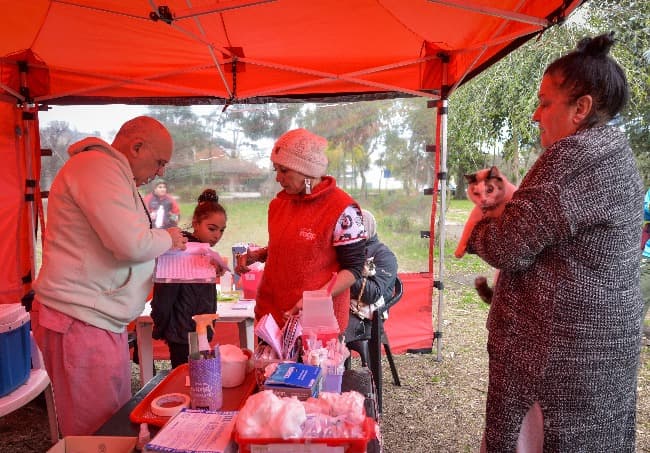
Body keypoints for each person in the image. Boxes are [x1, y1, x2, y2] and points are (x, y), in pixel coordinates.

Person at [466, 33, 643, 452]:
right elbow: (554, 226)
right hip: (597, 348)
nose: (535, 115)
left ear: (580, 108)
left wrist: (478, 228)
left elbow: (508, 245)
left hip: (555, 356)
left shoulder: (573, 156)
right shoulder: (615, 152)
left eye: (545, 103)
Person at [31, 116, 188, 436]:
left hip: (96, 318)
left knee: (111, 421)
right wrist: (168, 238)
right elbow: (130, 243)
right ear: (137, 146)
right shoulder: (96, 168)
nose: (160, 171)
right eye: (159, 162)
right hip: (81, 319)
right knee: (95, 432)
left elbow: (127, 236)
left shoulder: (108, 171)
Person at [238, 128, 366, 332]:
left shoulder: (343, 210)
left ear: (307, 171)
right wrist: (257, 255)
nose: (278, 178)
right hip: (271, 315)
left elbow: (354, 268)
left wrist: (316, 298)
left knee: (309, 364)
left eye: (284, 170)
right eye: (276, 170)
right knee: (268, 365)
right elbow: (290, 247)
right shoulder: (279, 205)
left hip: (315, 320)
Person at [151, 188, 228, 368]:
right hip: (182, 333)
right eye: (212, 228)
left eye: (222, 231)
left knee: (200, 377)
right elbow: (164, 293)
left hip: (201, 329)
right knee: (185, 378)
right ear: (195, 222)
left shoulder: (205, 252)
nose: (217, 235)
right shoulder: (180, 249)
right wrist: (160, 324)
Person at [344, 209, 398, 343]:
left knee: (331, 332)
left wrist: (346, 272)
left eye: (354, 228)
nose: (347, 233)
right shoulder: (345, 251)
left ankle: (332, 363)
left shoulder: (384, 255)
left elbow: (373, 293)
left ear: (365, 228)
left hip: (365, 319)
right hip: (341, 307)